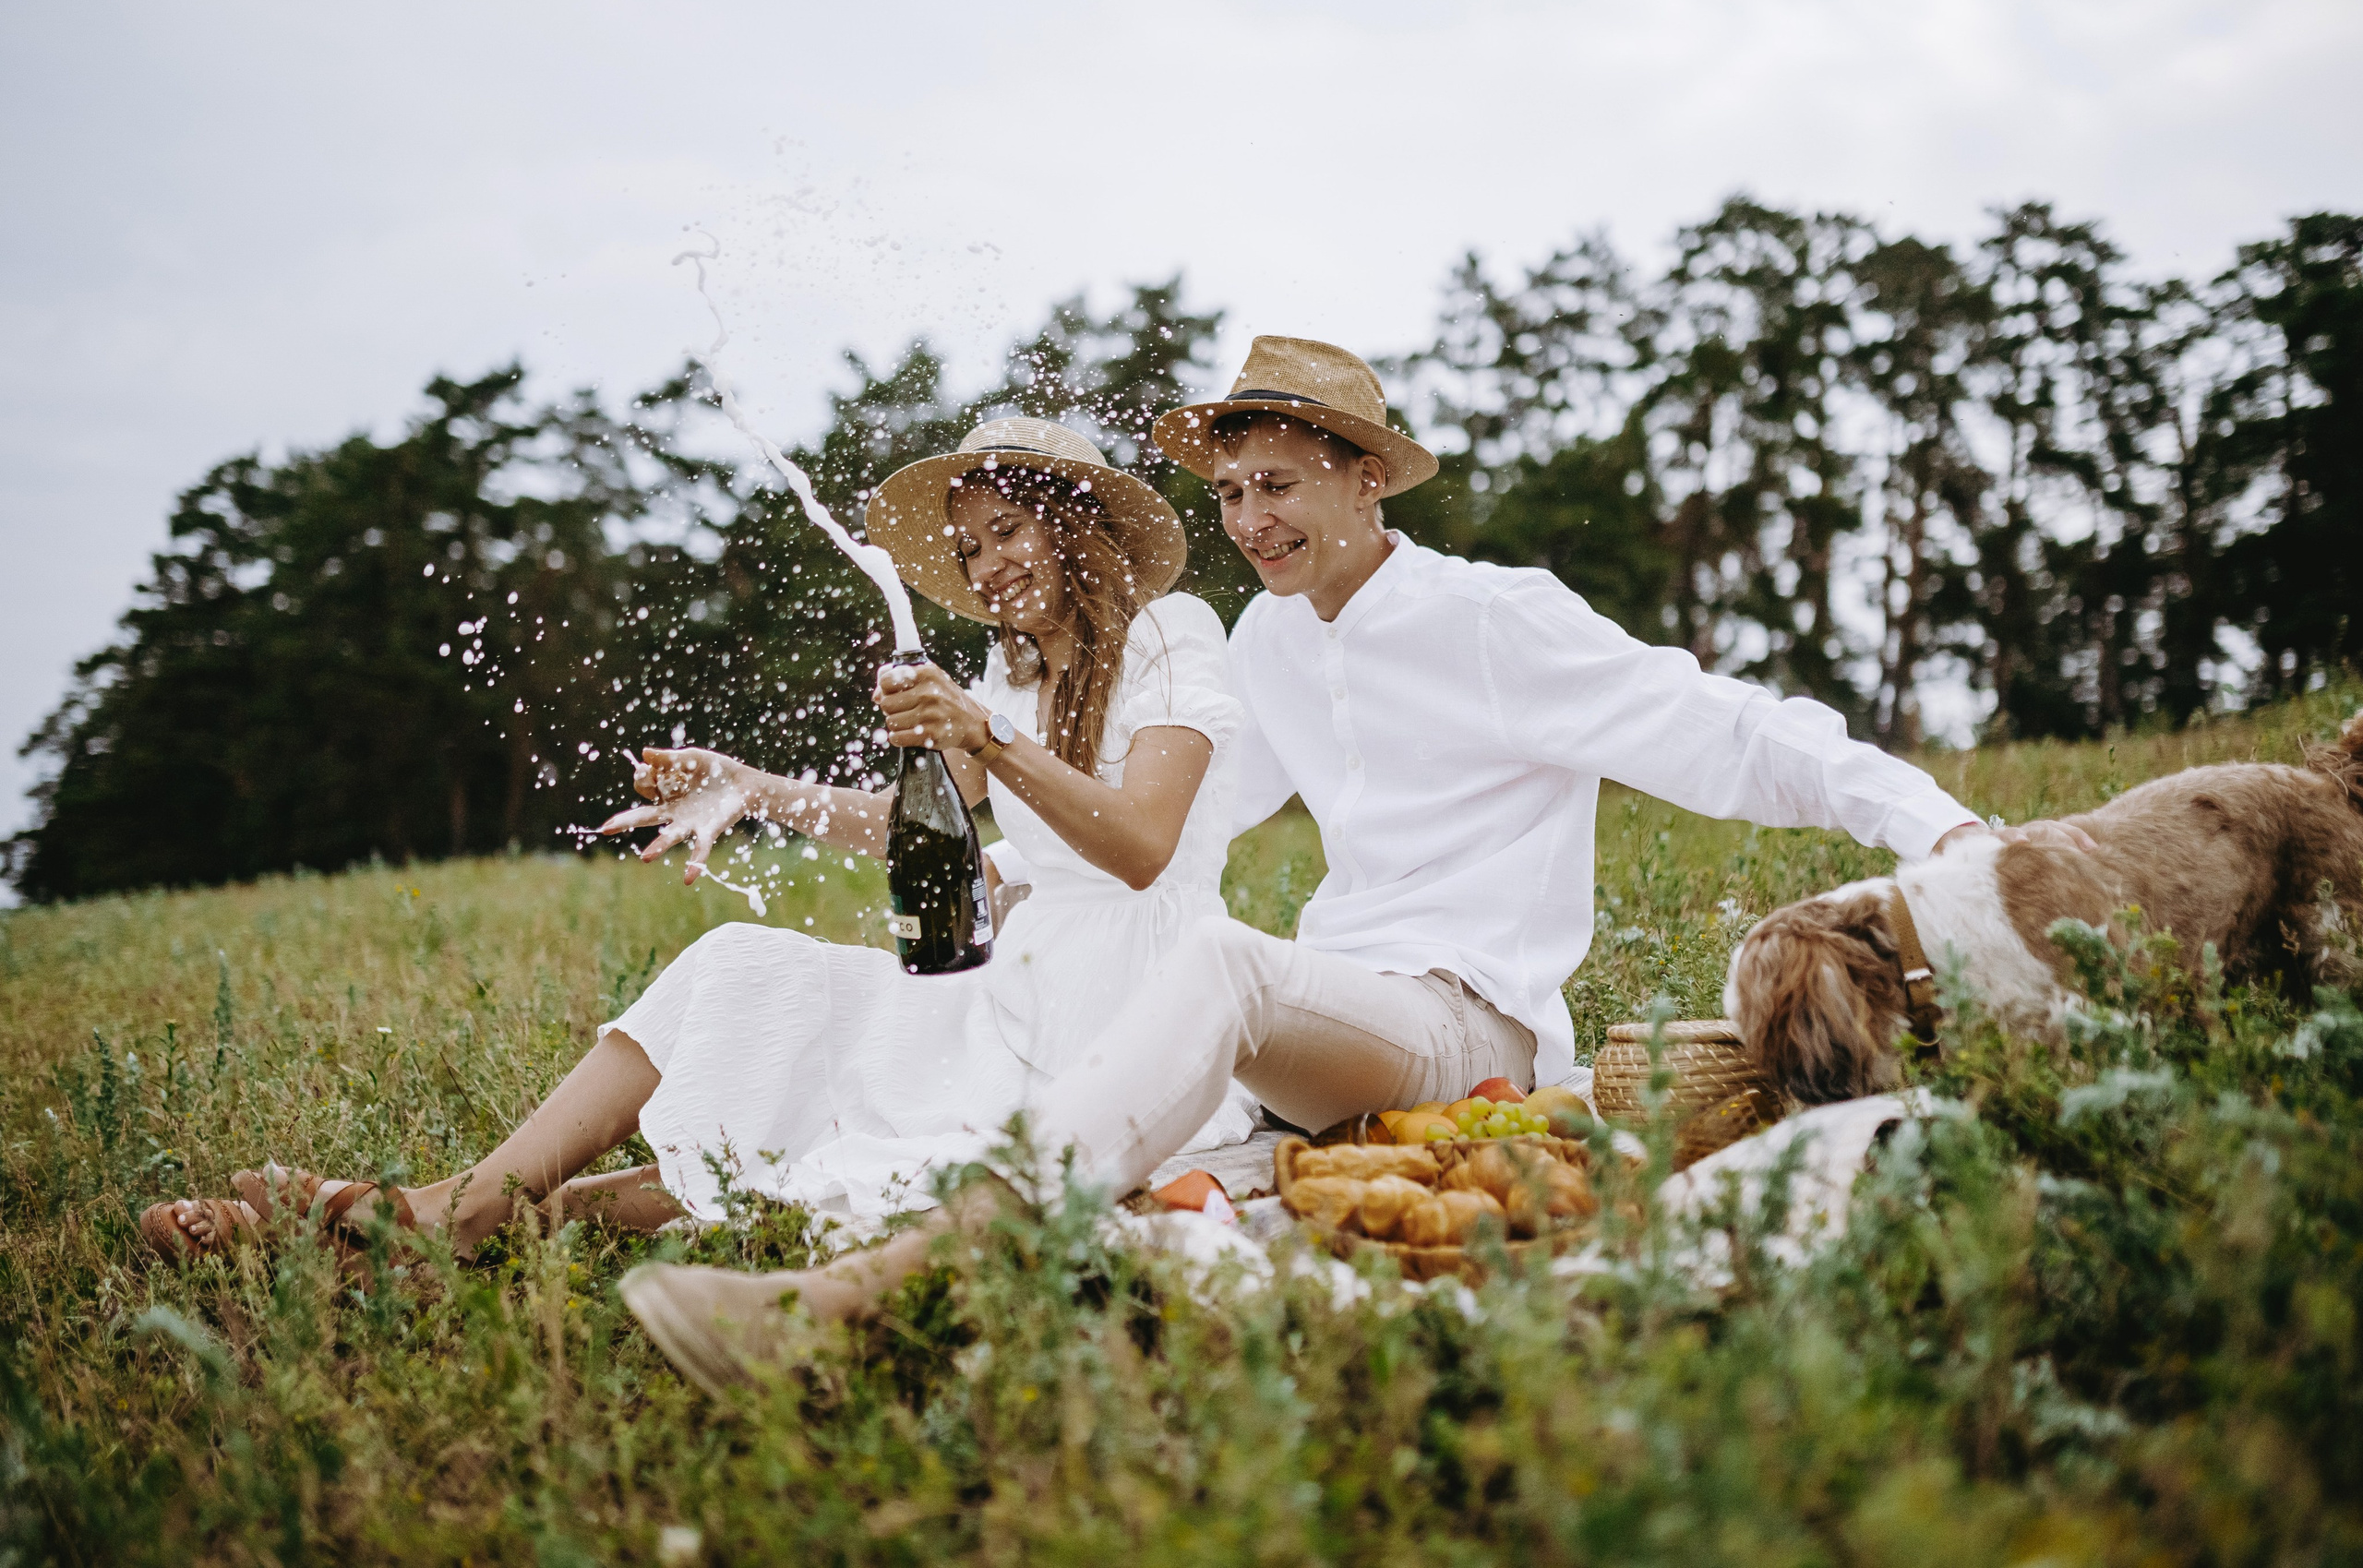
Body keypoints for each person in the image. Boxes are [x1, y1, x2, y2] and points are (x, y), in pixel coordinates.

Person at [619, 337, 2097, 1391]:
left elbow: (1731, 733)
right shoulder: (1264, 643)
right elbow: (1159, 831)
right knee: (1055, 1051)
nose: (1251, 519)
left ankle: (860, 1302)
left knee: (1218, 966)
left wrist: (1944, 826)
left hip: (1469, 1022)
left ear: (1364, 478)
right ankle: (634, 1216)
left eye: (1280, 483)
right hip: (1335, 1036)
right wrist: (802, 787)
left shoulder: (1495, 618)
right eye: (1234, 493)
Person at [138, 416, 1251, 1263]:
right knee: (747, 973)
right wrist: (751, 785)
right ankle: (448, 1212)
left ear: (1073, 520)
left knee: (838, 1158)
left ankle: (438, 1222)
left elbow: (1143, 844)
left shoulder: (1172, 634)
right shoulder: (1011, 671)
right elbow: (913, 828)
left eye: (1005, 530)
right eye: (967, 548)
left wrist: (984, 732)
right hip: (1015, 990)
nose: (984, 564)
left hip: (1133, 1007)